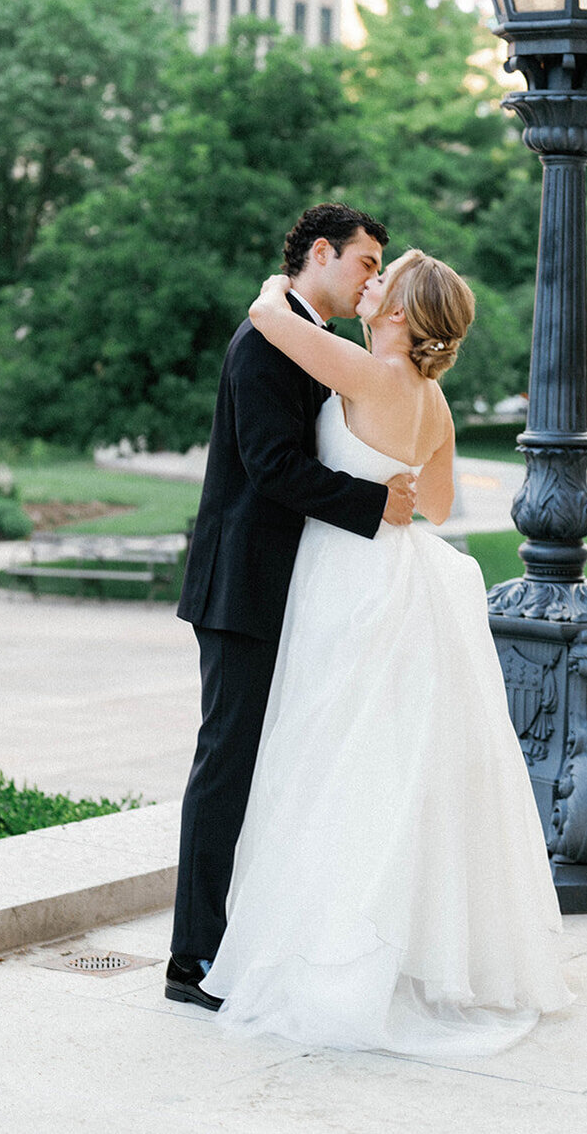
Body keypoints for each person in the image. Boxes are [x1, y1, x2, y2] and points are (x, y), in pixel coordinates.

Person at [198, 249, 573, 1056]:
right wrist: (388, 478)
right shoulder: (429, 400)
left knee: (324, 758)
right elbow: (432, 502)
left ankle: (323, 949)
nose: (368, 287)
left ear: (401, 316)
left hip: (344, 579)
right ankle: (388, 945)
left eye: (383, 282)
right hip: (395, 572)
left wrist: (276, 281)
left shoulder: (369, 373)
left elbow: (269, 316)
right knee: (380, 763)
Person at [167, 204, 419, 1012]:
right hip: (242, 587)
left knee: (277, 766)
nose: (371, 277)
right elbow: (273, 465)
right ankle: (191, 959)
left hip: (291, 587)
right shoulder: (262, 342)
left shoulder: (305, 335)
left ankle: (252, 936)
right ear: (322, 252)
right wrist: (372, 501)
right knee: (226, 768)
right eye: (364, 261)